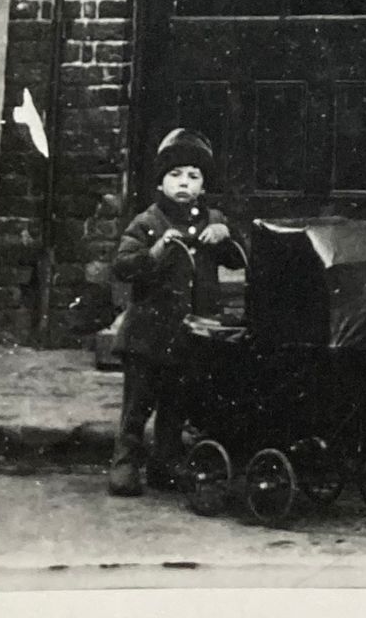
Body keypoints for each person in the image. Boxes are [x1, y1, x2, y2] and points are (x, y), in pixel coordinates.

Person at [108, 128, 244, 498]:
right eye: (175, 175)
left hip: (190, 333)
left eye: (193, 176)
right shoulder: (148, 222)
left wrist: (225, 234)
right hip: (148, 335)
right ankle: (125, 464)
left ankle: (165, 464)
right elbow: (123, 265)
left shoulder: (211, 219)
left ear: (203, 184)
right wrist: (157, 250)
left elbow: (237, 257)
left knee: (175, 405)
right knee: (138, 404)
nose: (184, 184)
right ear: (162, 180)